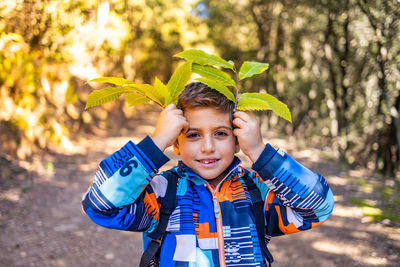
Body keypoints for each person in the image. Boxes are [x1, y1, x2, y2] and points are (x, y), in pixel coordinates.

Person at [82, 82, 334, 266]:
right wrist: (155, 142)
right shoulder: (160, 193)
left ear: (237, 141)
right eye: (193, 135)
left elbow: (319, 207)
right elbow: (99, 205)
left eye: (221, 133)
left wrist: (260, 153)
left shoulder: (258, 192)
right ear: (176, 143)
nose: (208, 147)